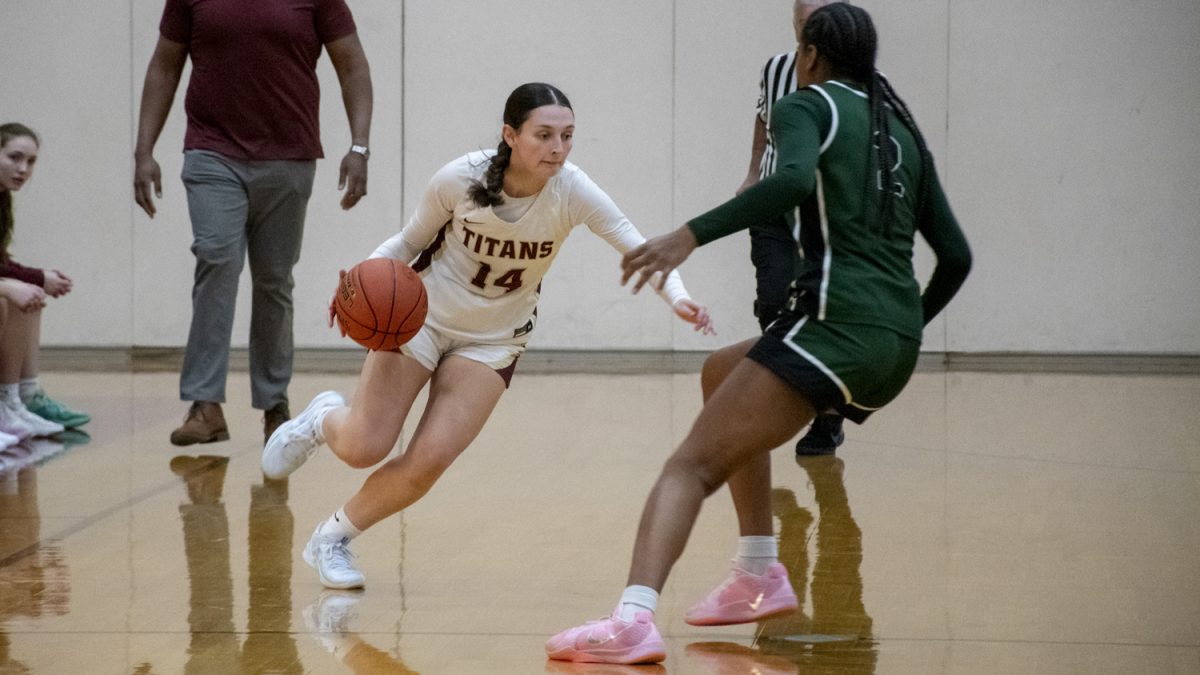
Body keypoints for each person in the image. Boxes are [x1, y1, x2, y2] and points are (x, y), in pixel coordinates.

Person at [547, 3, 971, 664]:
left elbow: (791, 179)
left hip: (835, 328)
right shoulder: (903, 130)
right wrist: (905, 326)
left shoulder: (804, 104)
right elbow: (958, 256)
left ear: (808, 54)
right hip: (895, 346)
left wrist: (688, 235)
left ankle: (632, 621)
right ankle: (758, 570)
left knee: (689, 465)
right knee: (723, 370)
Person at [261, 82, 714, 591]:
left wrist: (678, 298)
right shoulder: (459, 178)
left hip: (493, 339)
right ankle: (323, 418)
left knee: (428, 461)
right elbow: (408, 243)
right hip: (421, 321)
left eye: (567, 136)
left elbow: (639, 245)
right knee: (366, 446)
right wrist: (356, 282)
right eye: (544, 135)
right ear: (510, 135)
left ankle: (331, 538)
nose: (558, 148)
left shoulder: (573, 190)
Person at [134, 0, 374, 446]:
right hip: (211, 152)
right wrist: (143, 151)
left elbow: (353, 66)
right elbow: (164, 66)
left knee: (274, 280)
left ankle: (274, 405)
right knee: (216, 260)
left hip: (290, 157)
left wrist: (359, 147)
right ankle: (204, 406)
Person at [741, 0, 846, 457]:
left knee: (817, 306)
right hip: (772, 200)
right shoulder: (776, 68)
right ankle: (789, 398)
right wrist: (751, 175)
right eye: (802, 24)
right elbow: (763, 118)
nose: (809, 34)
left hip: (822, 208)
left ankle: (827, 415)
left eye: (817, 24)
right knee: (772, 298)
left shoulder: (852, 76)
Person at [0, 123, 91, 445]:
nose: (23, 169)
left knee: (28, 297)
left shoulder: (2, 199)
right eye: (14, 157)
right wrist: (23, 282)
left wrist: (37, 279)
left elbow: (2, 264)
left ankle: (19, 397)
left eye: (31, 161)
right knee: (7, 295)